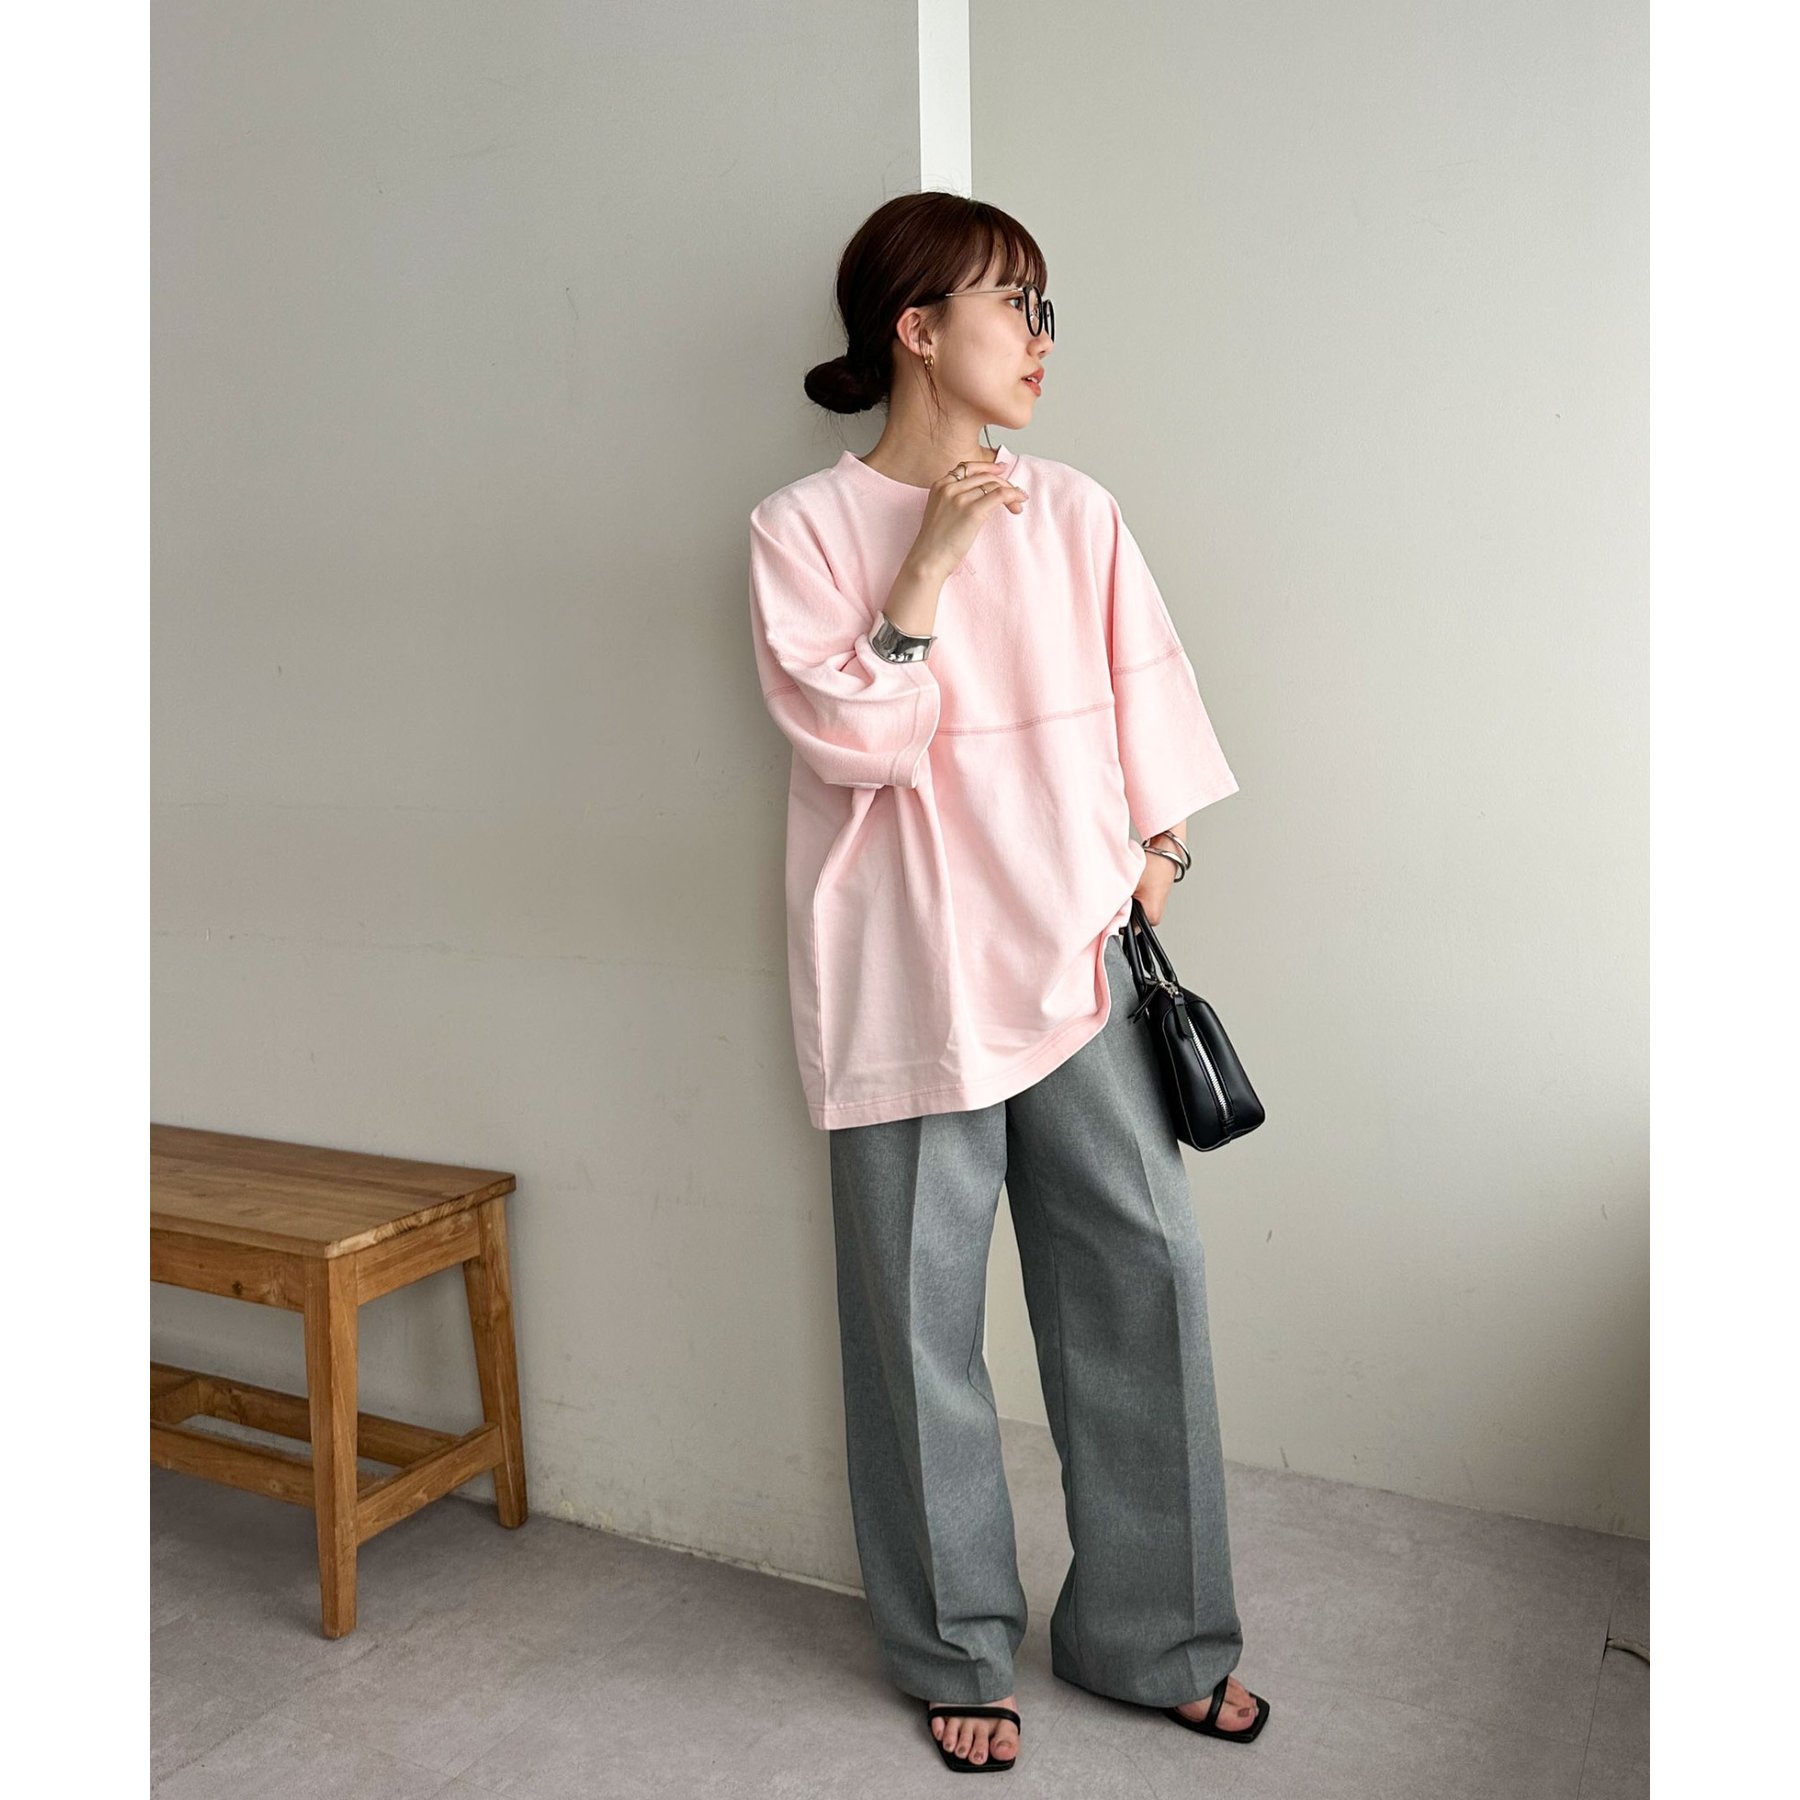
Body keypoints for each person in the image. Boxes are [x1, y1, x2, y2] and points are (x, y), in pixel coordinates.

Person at [746, 191, 1270, 1774]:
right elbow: (856, 745)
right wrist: (931, 559)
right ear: (919, 329)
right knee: (917, 1331)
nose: (1041, 340)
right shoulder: (799, 529)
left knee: (1145, 1280)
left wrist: (1155, 863)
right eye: (1013, 305)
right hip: (902, 981)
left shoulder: (1082, 512)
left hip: (1077, 968)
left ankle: (1155, 1636)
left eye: (1048, 309)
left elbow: (1154, 706)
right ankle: (955, 1646)